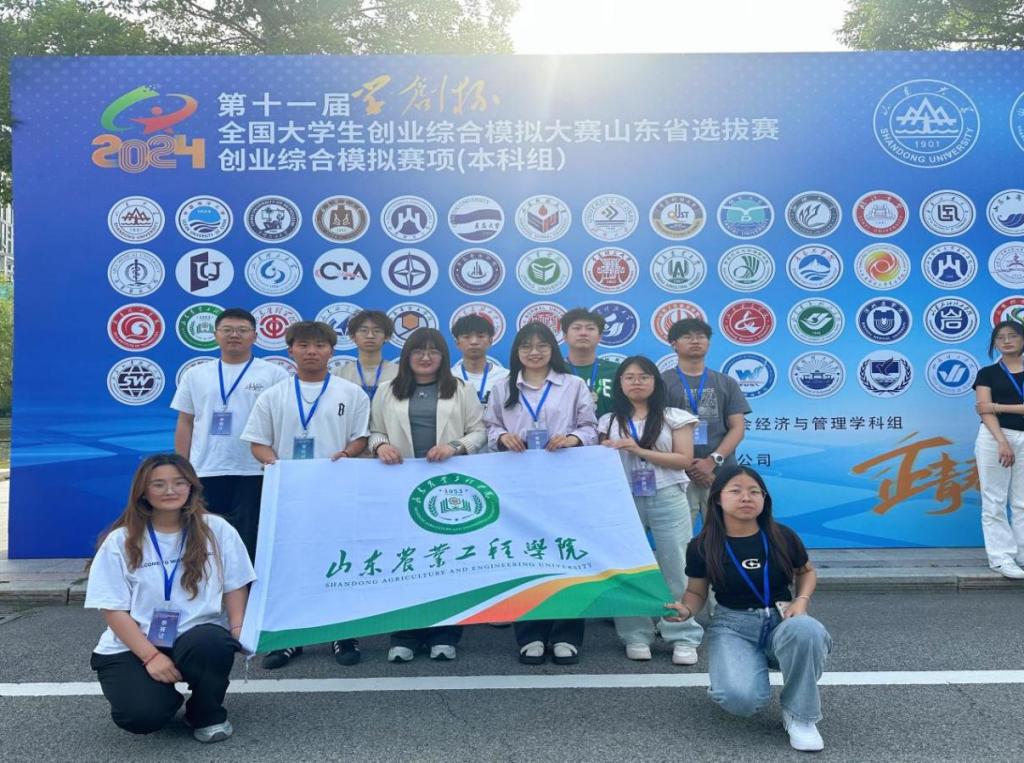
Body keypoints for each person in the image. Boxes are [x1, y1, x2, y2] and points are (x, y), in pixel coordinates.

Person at [85, 454, 255, 743]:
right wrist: (150, 656)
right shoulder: (120, 540)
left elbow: (235, 584)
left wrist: (238, 627)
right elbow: (112, 608)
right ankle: (162, 697)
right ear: (143, 491)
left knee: (212, 643)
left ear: (191, 487)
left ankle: (205, 713)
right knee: (141, 715)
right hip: (135, 644)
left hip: (195, 637)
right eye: (158, 484)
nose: (170, 490)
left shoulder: (217, 529)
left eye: (179, 482)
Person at [666, 466, 832, 752]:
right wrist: (686, 610)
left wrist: (801, 600)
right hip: (733, 626)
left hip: (783, 620)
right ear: (718, 499)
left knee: (807, 630)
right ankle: (744, 669)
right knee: (740, 700)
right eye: (736, 491)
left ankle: (800, 716)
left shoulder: (782, 536)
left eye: (755, 491)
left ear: (764, 499)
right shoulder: (702, 545)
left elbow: (806, 571)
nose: (746, 497)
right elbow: (696, 592)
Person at [241, 320, 370, 669]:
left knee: (340, 560)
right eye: (304, 345)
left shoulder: (351, 393)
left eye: (319, 346)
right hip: (289, 496)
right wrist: (273, 462)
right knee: (290, 564)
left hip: (336, 493)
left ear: (331, 351)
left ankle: (343, 633)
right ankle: (290, 638)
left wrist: (349, 452)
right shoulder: (273, 395)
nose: (312, 352)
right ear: (291, 351)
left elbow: (360, 438)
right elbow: (258, 443)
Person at [369, 327, 487, 662]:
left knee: (446, 558)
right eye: (418, 351)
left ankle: (445, 633)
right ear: (406, 356)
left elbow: (479, 431)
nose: (425, 357)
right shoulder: (386, 390)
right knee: (404, 560)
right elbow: (374, 430)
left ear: (443, 356)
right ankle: (404, 634)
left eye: (433, 351)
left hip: (448, 488)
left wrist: (455, 446)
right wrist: (381, 446)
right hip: (400, 486)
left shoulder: (460, 389)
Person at [484, 322, 598, 664]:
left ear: (552, 349)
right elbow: (490, 426)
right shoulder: (502, 386)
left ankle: (566, 634)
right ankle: (530, 634)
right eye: (526, 346)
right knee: (526, 556)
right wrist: (502, 437)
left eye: (541, 346)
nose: (534, 352)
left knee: (567, 555)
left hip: (565, 482)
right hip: (519, 485)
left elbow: (590, 427)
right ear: (516, 352)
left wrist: (573, 439)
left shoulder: (573, 385)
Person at [598, 355, 703, 666]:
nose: (636, 382)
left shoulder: (674, 417)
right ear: (619, 383)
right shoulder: (608, 421)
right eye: (629, 377)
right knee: (627, 567)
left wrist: (638, 450)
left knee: (676, 564)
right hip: (623, 499)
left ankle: (681, 634)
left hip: (667, 494)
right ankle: (635, 634)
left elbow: (684, 459)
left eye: (644, 377)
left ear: (655, 382)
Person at [172, 307, 288, 561]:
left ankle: (247, 584)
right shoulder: (196, 374)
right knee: (205, 536)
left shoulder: (274, 374)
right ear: (215, 335)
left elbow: (282, 424)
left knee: (250, 537)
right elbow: (185, 422)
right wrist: (182, 465)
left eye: (242, 330)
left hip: (255, 469)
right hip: (206, 468)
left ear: (255, 336)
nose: (234, 335)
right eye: (227, 330)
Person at [662, 318, 751, 526]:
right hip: (678, 476)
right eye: (687, 337)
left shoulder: (726, 382)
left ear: (708, 343)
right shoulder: (662, 382)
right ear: (674, 344)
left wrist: (711, 462)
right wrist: (690, 467)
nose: (695, 341)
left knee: (725, 532)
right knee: (679, 536)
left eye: (701, 337)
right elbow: (658, 430)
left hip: (721, 474)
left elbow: (737, 428)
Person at [973, 320, 1024, 579]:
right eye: (1000, 337)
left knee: (1022, 500)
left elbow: (990, 406)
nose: (1006, 341)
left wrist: (998, 406)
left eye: (1012, 336)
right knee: (994, 500)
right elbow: (984, 410)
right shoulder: (987, 373)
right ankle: (1001, 558)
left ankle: (1022, 554)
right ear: (994, 343)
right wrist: (1002, 441)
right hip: (994, 438)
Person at [561, 307, 619, 418]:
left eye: (590, 328)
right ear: (565, 336)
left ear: (600, 337)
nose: (583, 333)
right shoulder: (555, 370)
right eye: (577, 328)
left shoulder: (617, 371)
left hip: (608, 429)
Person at [333, 309, 399, 401]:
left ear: (387, 337)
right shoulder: (339, 374)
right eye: (364, 330)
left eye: (377, 331)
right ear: (352, 336)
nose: (370, 336)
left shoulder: (399, 373)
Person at [451, 312, 510, 409]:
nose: (474, 342)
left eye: (480, 336)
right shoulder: (449, 378)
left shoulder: (506, 377)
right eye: (466, 337)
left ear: (490, 341)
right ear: (457, 343)